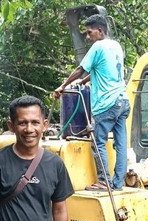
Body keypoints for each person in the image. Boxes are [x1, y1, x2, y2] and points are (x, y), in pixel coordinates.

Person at [54, 13, 130, 191]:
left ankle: (104, 181)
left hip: (107, 104)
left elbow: (80, 69)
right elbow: (101, 68)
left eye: (89, 33)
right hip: (122, 101)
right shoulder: (115, 46)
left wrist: (62, 86)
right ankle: (118, 183)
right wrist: (83, 82)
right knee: (120, 145)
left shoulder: (98, 46)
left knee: (98, 143)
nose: (88, 37)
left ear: (100, 31)